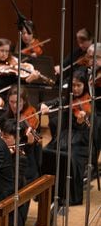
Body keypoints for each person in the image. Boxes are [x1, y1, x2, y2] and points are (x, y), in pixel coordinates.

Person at [40, 69, 91, 205]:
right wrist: (45, 105)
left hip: (81, 142)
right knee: (46, 152)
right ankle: (49, 191)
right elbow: (51, 103)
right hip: (64, 138)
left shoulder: (89, 102)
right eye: (73, 85)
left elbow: (89, 130)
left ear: (85, 85)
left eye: (79, 85)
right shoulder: (66, 98)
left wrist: (81, 124)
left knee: (69, 156)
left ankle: (68, 195)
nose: (75, 89)